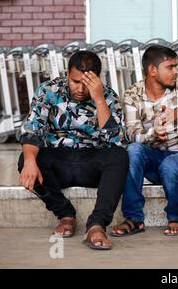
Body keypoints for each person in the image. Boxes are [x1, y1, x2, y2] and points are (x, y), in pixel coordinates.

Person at [18, 50, 128, 250]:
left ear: (96, 79)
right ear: (67, 75)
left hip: (92, 163)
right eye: (75, 81)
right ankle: (65, 215)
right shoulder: (48, 90)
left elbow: (116, 139)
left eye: (86, 83)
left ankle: (96, 225)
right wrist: (29, 161)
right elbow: (32, 129)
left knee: (119, 156)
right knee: (28, 158)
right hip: (58, 161)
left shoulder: (108, 96)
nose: (80, 89)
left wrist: (99, 99)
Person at [111, 45, 178, 237]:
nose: (176, 71)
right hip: (153, 156)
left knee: (171, 163)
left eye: (176, 66)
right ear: (152, 70)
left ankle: (176, 217)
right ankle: (134, 219)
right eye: (170, 67)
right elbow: (130, 132)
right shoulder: (133, 94)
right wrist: (152, 133)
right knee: (133, 150)